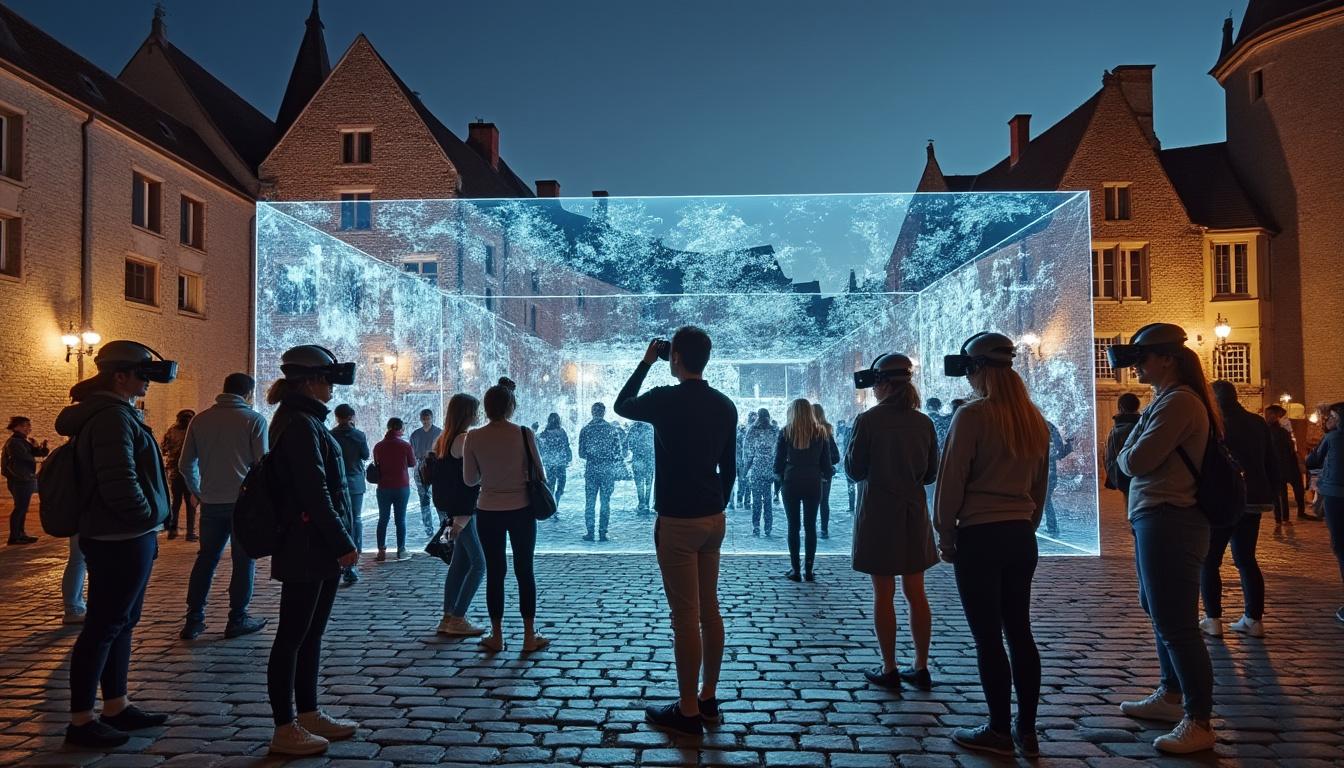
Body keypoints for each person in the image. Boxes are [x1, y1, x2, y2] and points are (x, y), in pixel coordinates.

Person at [615, 327, 737, 736]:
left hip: (677, 519)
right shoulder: (725, 405)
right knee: (710, 609)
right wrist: (718, 500)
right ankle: (708, 698)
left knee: (684, 616)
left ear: (676, 358)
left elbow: (622, 404)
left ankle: (685, 710)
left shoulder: (664, 399)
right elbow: (730, 468)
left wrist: (647, 362)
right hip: (712, 517)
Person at [934, 333, 1048, 758]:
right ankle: (1028, 728)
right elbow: (1040, 486)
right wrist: (1027, 525)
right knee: (1020, 631)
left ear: (978, 370)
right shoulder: (1032, 417)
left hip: (980, 535)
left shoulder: (973, 416)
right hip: (1020, 535)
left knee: (987, 638)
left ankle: (999, 728)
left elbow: (952, 480)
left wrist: (946, 533)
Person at [57, 340, 176, 748]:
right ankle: (80, 722)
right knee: (103, 627)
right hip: (119, 537)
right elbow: (118, 477)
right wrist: (145, 516)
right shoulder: (111, 416)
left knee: (121, 623)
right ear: (120, 376)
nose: (147, 382)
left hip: (126, 535)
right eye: (142, 374)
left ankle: (116, 706)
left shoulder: (115, 412)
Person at [1111, 323, 1217, 754]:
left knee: (1176, 623)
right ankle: (1171, 696)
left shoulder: (1178, 404)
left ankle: (1199, 719)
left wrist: (1126, 449)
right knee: (1158, 610)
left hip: (1171, 518)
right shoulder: (1165, 401)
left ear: (1168, 359)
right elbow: (1131, 459)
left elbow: (1133, 460)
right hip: (1156, 516)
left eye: (1144, 358)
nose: (1137, 367)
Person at [265, 345, 360, 756]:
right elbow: (314, 491)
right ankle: (285, 727)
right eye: (327, 378)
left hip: (314, 543)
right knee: (292, 636)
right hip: (306, 543)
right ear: (309, 382)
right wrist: (343, 542)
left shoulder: (305, 420)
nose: (332, 386)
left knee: (310, 634)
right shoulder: (300, 424)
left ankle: (308, 712)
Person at [849, 355, 939, 693]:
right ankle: (921, 666)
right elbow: (931, 473)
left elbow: (854, 470)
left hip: (878, 512)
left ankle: (889, 666)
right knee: (916, 592)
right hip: (913, 512)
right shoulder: (924, 423)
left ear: (883, 384)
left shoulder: (867, 421)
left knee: (883, 593)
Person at [178, 373, 268, 641]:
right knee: (243, 561)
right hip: (243, 503)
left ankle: (194, 620)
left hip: (211, 502)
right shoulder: (254, 420)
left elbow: (185, 464)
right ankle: (237, 618)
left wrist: (198, 491)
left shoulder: (200, 419)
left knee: (206, 559)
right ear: (249, 394)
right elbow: (262, 464)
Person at [462, 377, 550, 652]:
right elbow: (542, 474)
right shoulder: (524, 433)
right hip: (521, 509)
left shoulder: (473, 437)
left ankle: (497, 635)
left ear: (486, 408)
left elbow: (469, 480)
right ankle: (528, 635)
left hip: (488, 511)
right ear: (511, 406)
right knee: (525, 571)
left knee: (495, 573)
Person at [1199, 381, 1276, 639]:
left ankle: (1213, 618)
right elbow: (1271, 461)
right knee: (1246, 559)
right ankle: (1253, 619)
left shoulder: (1213, 423)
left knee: (1210, 559)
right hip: (1253, 499)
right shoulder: (1257, 422)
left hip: (1222, 499)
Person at [424, 394, 486, 637]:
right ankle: (458, 617)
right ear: (467, 414)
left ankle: (448, 616)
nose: (478, 415)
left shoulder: (443, 439)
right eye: (475, 411)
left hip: (451, 509)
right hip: (464, 512)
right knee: (479, 565)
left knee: (460, 563)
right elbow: (476, 475)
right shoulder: (464, 439)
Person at [773, 399, 830, 581]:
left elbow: (777, 463)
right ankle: (809, 570)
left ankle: (795, 569)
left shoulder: (786, 432)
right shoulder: (820, 433)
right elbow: (826, 464)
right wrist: (824, 474)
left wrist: (782, 478)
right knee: (810, 526)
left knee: (793, 526)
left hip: (791, 481)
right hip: (813, 482)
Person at [1305, 402, 1344, 625]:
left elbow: (1313, 460)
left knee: (1340, 546)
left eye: (1330, 417)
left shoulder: (1333, 438)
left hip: (1336, 496)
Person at [330, 404, 370, 585]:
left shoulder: (330, 434)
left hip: (336, 482)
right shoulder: (359, 435)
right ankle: (354, 558)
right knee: (356, 519)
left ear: (337, 417)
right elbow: (365, 455)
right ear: (352, 416)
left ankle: (338, 557)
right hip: (355, 482)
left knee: (338, 519)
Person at [578, 402, 624, 542]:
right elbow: (618, 453)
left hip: (591, 469)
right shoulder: (611, 429)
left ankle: (590, 532)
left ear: (592, 412)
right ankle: (603, 532)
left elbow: (581, 453)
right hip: (607, 470)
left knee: (590, 502)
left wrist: (593, 455)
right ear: (604, 413)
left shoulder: (585, 430)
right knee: (605, 502)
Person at [373, 418, 416, 561]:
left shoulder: (378, 446)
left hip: (383, 487)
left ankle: (381, 551)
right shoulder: (405, 445)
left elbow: (376, 463)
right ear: (400, 429)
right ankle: (401, 550)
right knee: (400, 519)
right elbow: (412, 463)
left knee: (383, 519)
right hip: (401, 487)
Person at [3, 415, 48, 544]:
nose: (29, 428)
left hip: (24, 479)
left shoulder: (22, 441)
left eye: (29, 425)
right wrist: (34, 449)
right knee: (20, 508)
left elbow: (39, 454)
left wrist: (40, 448)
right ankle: (15, 537)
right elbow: (25, 458)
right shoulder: (14, 442)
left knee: (22, 507)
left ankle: (20, 534)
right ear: (16, 427)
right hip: (20, 480)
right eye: (25, 425)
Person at [1264, 405, 1305, 530]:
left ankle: (1282, 518)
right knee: (1282, 494)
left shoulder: (1277, 431)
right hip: (1283, 466)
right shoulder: (1277, 432)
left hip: (1282, 466)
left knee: (1281, 494)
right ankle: (1284, 518)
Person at [160, 409, 198, 541]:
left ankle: (172, 530)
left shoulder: (171, 431)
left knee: (176, 503)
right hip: (189, 473)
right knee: (191, 503)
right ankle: (190, 533)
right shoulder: (193, 432)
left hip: (175, 472)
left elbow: (163, 448)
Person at [409, 408, 443, 539]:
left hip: (435, 467)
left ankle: (442, 524)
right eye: (423, 419)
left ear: (432, 418)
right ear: (420, 419)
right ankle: (428, 528)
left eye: (427, 418)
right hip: (420, 469)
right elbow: (411, 453)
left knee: (438, 497)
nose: (426, 421)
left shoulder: (439, 433)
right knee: (424, 499)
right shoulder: (415, 434)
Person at [744, 408, 776, 537]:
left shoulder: (752, 430)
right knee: (767, 500)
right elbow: (778, 450)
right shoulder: (773, 430)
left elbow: (748, 452)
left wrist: (746, 468)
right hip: (769, 469)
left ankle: (756, 526)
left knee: (756, 500)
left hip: (757, 468)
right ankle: (768, 527)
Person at [1103, 394, 1142, 499]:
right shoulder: (1144, 426)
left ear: (1120, 407)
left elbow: (1111, 458)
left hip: (1125, 477)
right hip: (1141, 477)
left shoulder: (1117, 431)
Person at [811, 403, 841, 539]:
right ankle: (824, 529)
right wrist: (827, 464)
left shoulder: (806, 432)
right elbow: (836, 456)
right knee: (824, 502)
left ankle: (811, 528)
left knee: (811, 501)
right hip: (825, 474)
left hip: (811, 472)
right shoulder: (827, 431)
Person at [1042, 420, 1072, 536]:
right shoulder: (1049, 426)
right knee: (1046, 500)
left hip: (1040, 471)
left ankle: (1051, 527)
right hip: (1050, 472)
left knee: (1044, 500)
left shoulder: (1031, 423)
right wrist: (1068, 444)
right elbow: (1061, 452)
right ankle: (1052, 528)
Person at [536, 413, 572, 507]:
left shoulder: (544, 434)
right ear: (558, 421)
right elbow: (567, 446)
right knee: (561, 484)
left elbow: (539, 446)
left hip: (549, 463)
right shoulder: (562, 432)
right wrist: (569, 457)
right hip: (561, 462)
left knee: (551, 484)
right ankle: (557, 500)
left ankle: (551, 505)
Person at [629, 420, 656, 515]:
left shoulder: (634, 428)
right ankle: (647, 504)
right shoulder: (651, 427)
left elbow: (629, 444)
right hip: (649, 459)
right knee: (649, 482)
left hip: (637, 458)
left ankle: (641, 504)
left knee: (639, 483)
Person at [735, 412, 758, 512]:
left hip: (749, 461)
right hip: (744, 461)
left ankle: (746, 501)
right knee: (743, 481)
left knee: (746, 482)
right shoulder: (742, 431)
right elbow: (738, 448)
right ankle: (742, 501)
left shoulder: (755, 431)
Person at [836, 418, 855, 513]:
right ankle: (852, 506)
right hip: (852, 459)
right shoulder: (850, 431)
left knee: (850, 484)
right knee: (852, 484)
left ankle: (852, 506)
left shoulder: (847, 432)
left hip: (850, 459)